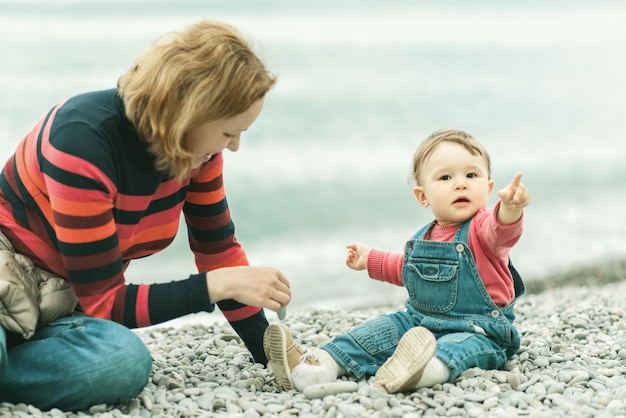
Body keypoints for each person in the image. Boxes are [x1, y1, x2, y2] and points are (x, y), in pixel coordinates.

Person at [0, 19, 291, 411]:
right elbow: (107, 304)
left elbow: (217, 250)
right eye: (228, 133)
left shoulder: (196, 154)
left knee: (123, 362)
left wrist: (272, 356)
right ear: (190, 113)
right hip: (7, 280)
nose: (234, 147)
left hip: (57, 304)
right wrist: (215, 285)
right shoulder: (82, 141)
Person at [264, 128, 531, 393]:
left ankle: (419, 372)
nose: (460, 183)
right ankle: (315, 365)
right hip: (419, 322)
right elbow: (403, 268)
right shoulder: (424, 237)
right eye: (445, 177)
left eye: (471, 175)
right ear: (423, 196)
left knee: (457, 350)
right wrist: (370, 259)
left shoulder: (483, 228)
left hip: (480, 330)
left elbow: (502, 231)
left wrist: (510, 208)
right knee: (376, 333)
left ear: (488, 187)